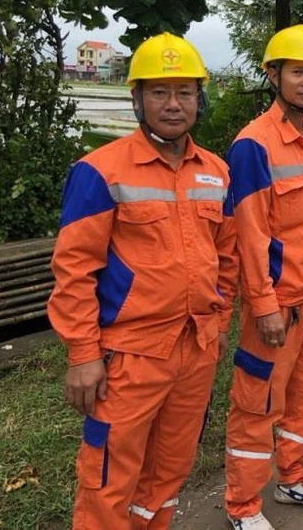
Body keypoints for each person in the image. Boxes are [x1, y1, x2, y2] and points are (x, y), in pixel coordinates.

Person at [48, 33, 237, 530]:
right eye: (159, 92)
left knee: (169, 470)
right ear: (137, 98)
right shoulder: (100, 171)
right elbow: (74, 270)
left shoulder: (217, 172)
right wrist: (83, 356)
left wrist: (219, 323)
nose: (173, 104)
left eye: (184, 92)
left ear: (199, 98)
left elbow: (227, 259)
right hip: (130, 355)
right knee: (108, 478)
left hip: (195, 349)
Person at [223, 25, 303, 530]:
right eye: (298, 72)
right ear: (273, 75)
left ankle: (292, 478)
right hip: (276, 305)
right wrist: (263, 305)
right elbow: (248, 235)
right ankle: (242, 505)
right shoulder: (252, 145)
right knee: (258, 405)